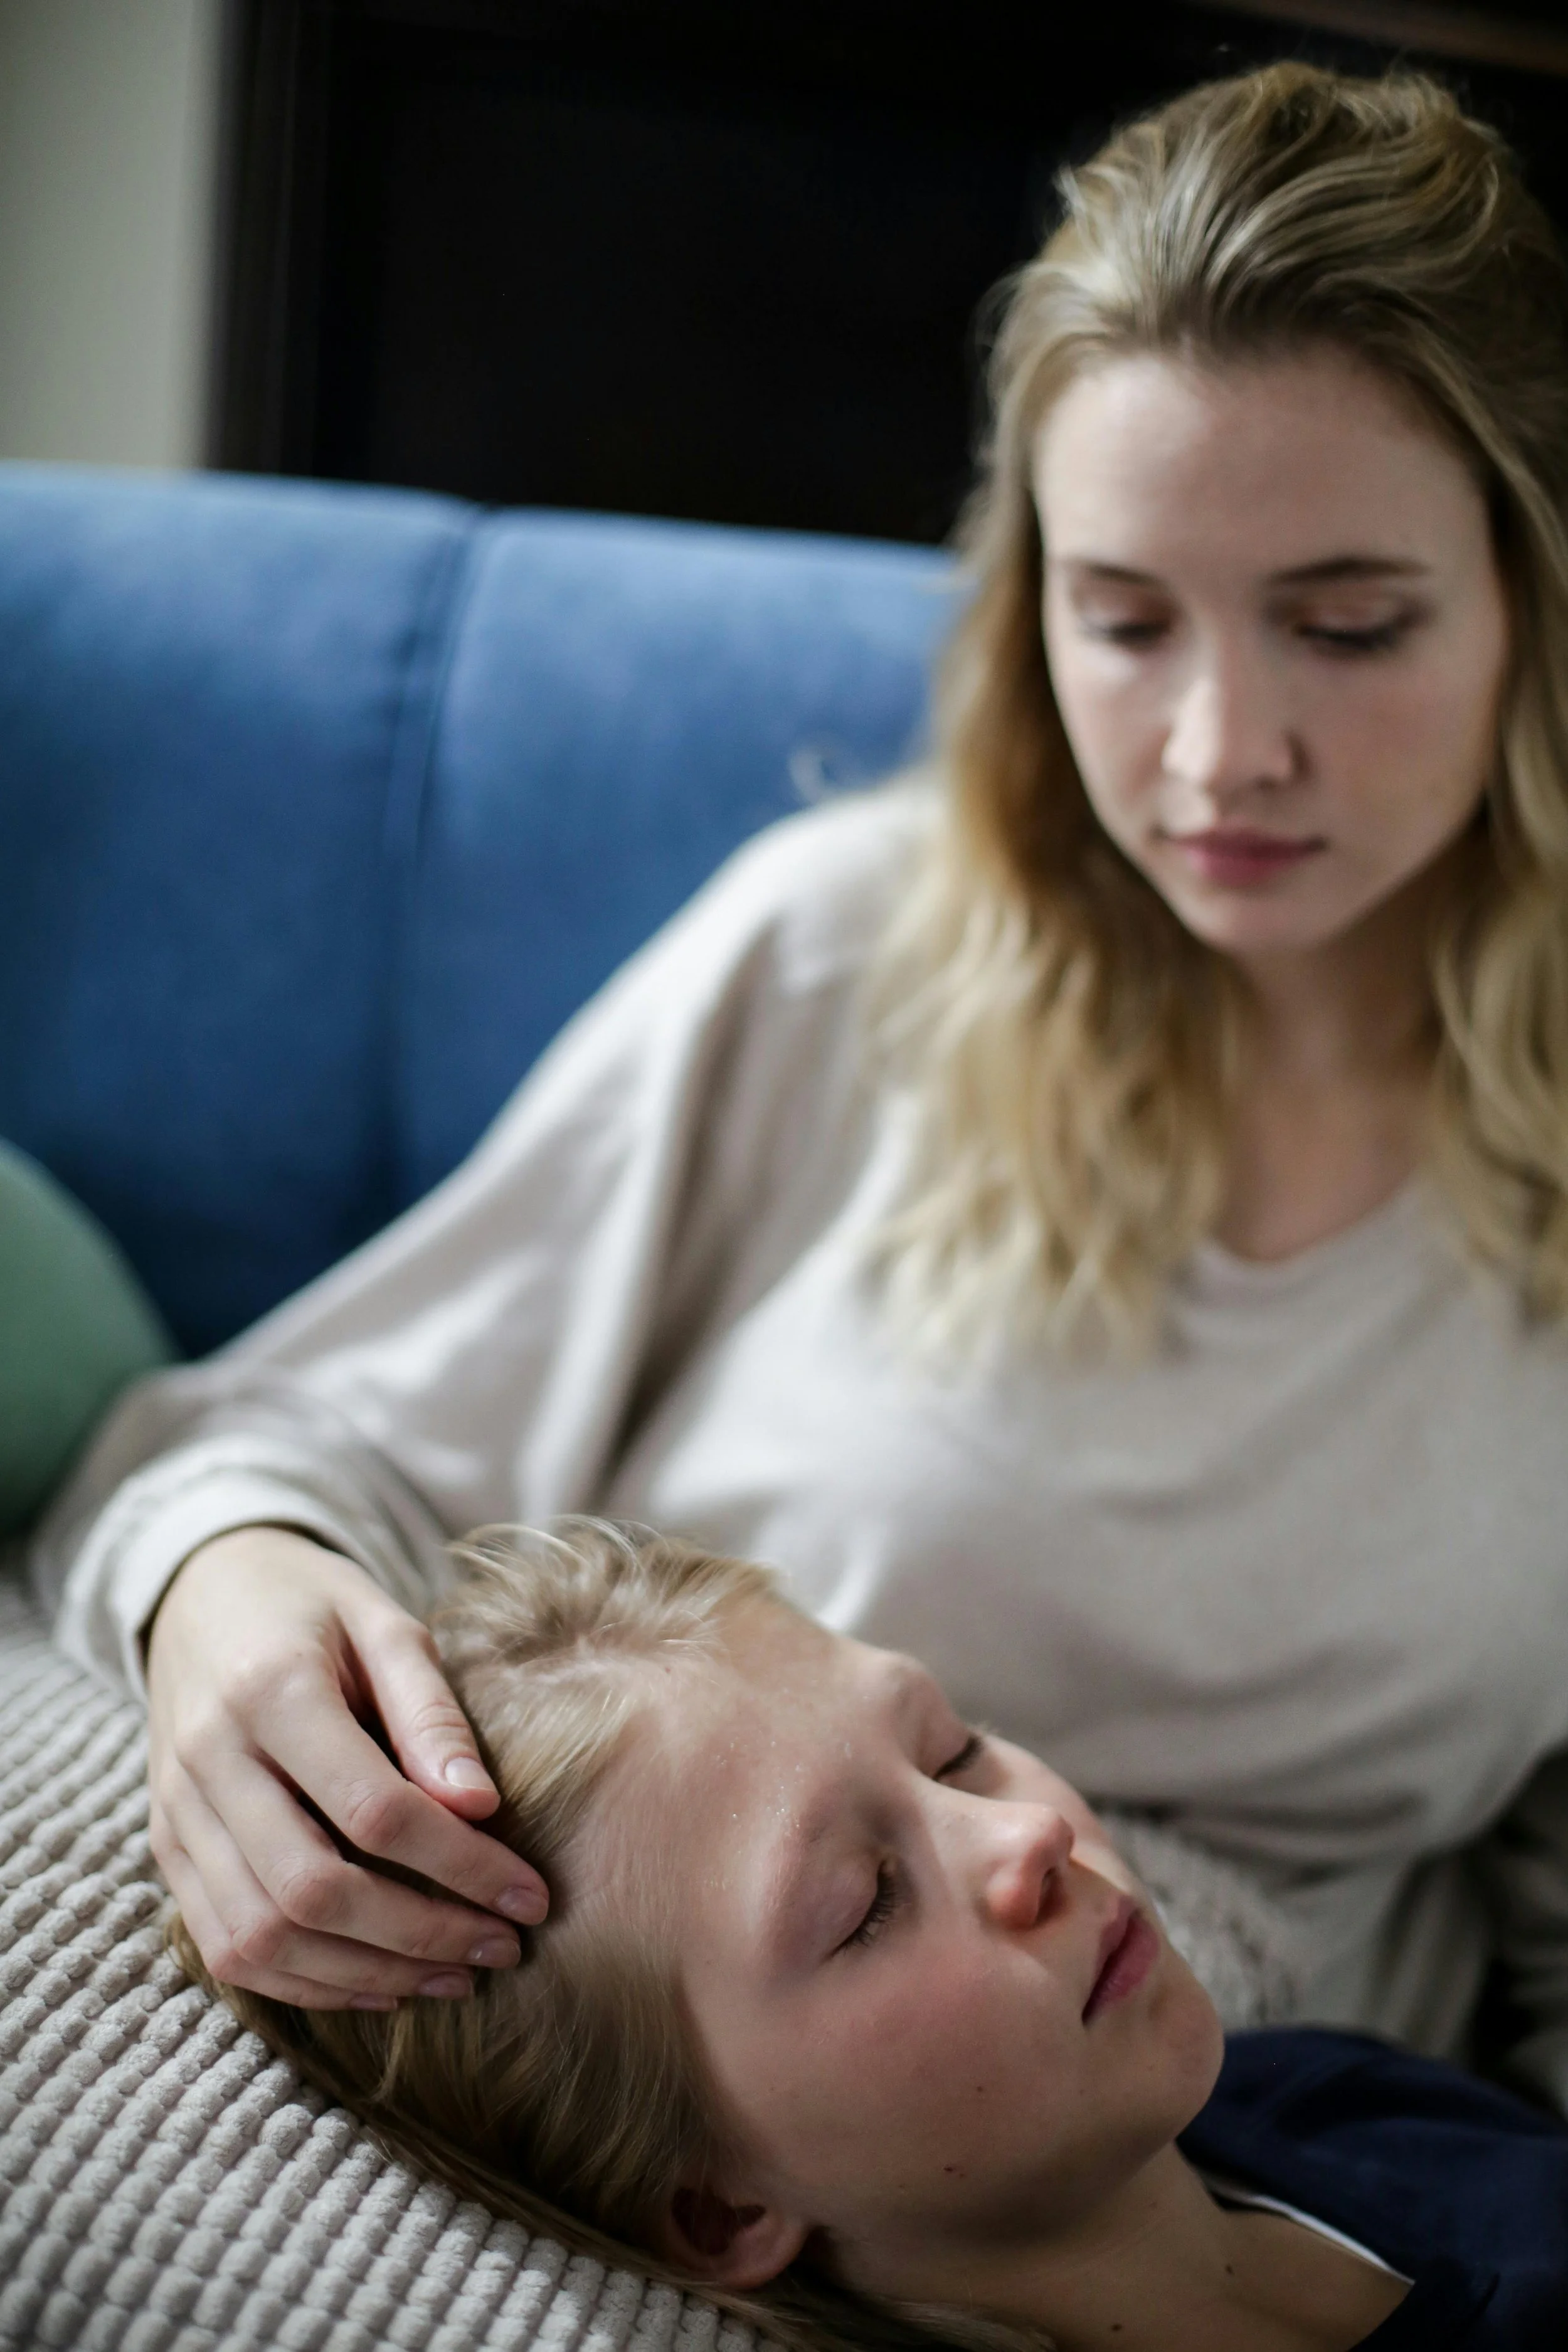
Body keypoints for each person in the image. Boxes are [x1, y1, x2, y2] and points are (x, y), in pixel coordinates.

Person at [31, 61, 1568, 2099]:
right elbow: (254, 1448)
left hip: (1219, 2139)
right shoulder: (848, 951)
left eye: (1349, 626)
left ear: (1535, 606)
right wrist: (231, 1608)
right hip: (628, 2024)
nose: (1216, 755)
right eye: (1123, 621)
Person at [173, 1520, 1568, 2352]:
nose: (1023, 1838)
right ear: (720, 2210)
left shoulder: (1322, 2093)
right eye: (865, 1907)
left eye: (953, 1753)